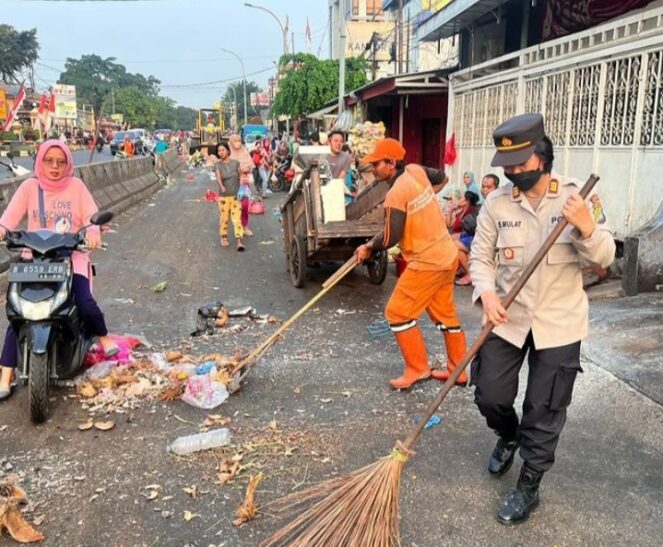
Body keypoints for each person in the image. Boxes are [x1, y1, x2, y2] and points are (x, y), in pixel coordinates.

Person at [470, 113, 615, 524]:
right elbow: (480, 256)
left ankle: (529, 484)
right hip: (509, 316)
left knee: (544, 407)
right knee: (490, 394)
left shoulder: (576, 199)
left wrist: (587, 229)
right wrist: (486, 292)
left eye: (519, 163)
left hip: (559, 321)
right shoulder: (497, 204)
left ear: (541, 155)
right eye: (507, 166)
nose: (513, 172)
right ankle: (507, 435)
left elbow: (606, 258)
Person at [0, 140, 117, 400]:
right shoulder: (30, 187)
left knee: (85, 303)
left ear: (67, 164)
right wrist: (2, 230)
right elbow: (8, 219)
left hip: (69, 258)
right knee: (18, 314)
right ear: (39, 162)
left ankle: (103, 336)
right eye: (49, 161)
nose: (55, 167)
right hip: (34, 262)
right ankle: (6, 372)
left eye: (60, 161)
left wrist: (94, 231)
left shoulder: (76, 187)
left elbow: (91, 217)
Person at [355, 138, 468, 389]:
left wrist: (368, 246)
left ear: (391, 163)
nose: (372, 169)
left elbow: (389, 237)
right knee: (445, 315)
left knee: (397, 312)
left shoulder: (395, 193)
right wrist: (423, 203)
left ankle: (417, 369)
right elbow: (442, 178)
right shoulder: (416, 171)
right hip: (446, 254)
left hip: (427, 261)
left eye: (376, 164)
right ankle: (458, 371)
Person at [214, 141, 245, 251]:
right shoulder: (217, 165)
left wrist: (242, 188)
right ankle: (224, 236)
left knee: (236, 219)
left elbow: (241, 175)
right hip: (224, 197)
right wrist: (221, 186)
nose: (221, 152)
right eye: (219, 151)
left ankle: (239, 240)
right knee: (224, 218)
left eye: (223, 150)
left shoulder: (235, 163)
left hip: (236, 196)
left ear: (227, 150)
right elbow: (218, 176)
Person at [448, 191, 480, 287]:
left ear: (467, 201)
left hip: (470, 237)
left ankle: (470, 274)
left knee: (452, 245)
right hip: (463, 237)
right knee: (456, 250)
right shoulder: (461, 211)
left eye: (462, 198)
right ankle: (465, 270)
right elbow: (449, 224)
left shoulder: (472, 211)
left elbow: (470, 229)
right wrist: (450, 210)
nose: (459, 200)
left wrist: (457, 235)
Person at [229, 134, 255, 237]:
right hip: (232, 184)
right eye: (235, 141)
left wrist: (247, 169)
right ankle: (238, 226)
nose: (238, 143)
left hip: (244, 183)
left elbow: (251, 165)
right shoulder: (228, 153)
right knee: (235, 206)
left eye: (239, 140)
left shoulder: (244, 152)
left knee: (245, 205)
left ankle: (245, 226)